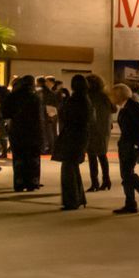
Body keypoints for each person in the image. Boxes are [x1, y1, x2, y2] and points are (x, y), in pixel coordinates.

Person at [111, 82, 139, 214]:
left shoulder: (133, 107)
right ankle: (131, 203)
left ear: (119, 95)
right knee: (126, 174)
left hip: (131, 144)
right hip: (127, 143)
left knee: (127, 173)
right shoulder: (127, 106)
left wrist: (136, 144)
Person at [54, 74, 91, 210]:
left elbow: (67, 116)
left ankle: (72, 200)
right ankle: (78, 198)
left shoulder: (75, 100)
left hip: (72, 136)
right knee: (72, 168)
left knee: (68, 170)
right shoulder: (85, 99)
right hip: (80, 136)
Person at [85, 74, 114, 192]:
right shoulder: (105, 96)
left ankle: (95, 183)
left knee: (92, 156)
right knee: (102, 155)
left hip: (93, 128)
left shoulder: (88, 96)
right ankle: (106, 180)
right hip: (104, 128)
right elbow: (114, 109)